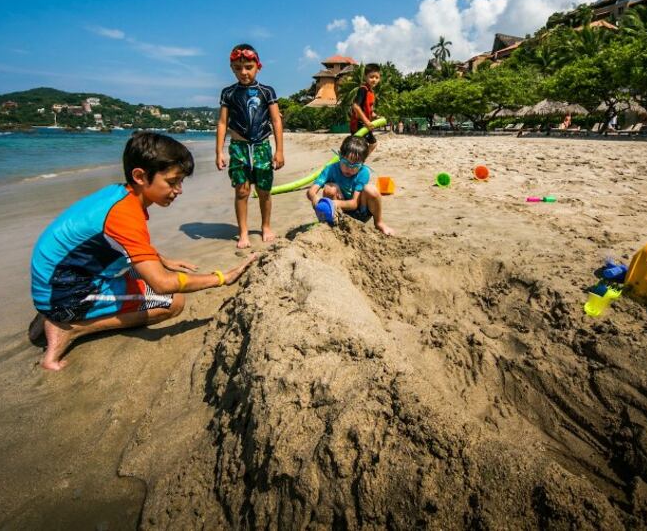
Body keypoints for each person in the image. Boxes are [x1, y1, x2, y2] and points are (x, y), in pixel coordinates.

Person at [29, 131, 257, 371]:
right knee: (172, 302)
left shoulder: (119, 195)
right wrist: (222, 278)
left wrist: (162, 259)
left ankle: (59, 313)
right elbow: (162, 284)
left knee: (153, 277)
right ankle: (71, 327)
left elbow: (118, 242)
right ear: (140, 176)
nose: (179, 190)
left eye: (181, 182)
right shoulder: (124, 216)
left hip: (56, 281)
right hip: (65, 293)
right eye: (172, 182)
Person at [216, 44, 285, 248]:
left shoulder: (266, 91)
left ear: (258, 66)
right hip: (239, 148)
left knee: (264, 190)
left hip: (262, 147)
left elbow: (276, 121)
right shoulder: (228, 93)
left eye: (248, 67)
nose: (243, 72)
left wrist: (279, 150)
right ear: (232, 68)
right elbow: (222, 123)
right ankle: (243, 231)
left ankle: (265, 225)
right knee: (242, 191)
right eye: (238, 68)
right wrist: (219, 151)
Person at [306, 135, 394, 236]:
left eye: (355, 166)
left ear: (363, 163)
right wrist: (314, 198)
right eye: (346, 163)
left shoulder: (363, 172)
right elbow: (311, 191)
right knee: (329, 188)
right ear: (339, 155)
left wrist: (332, 203)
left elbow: (354, 204)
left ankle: (379, 222)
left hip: (360, 212)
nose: (350, 169)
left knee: (371, 189)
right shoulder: (330, 169)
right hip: (340, 212)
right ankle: (332, 222)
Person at [350, 63, 381, 158]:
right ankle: (357, 162)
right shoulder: (363, 89)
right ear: (365, 77)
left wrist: (376, 116)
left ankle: (358, 161)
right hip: (358, 124)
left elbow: (369, 110)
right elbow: (356, 106)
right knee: (366, 146)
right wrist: (367, 121)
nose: (374, 79)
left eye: (377, 77)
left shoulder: (371, 92)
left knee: (367, 145)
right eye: (371, 77)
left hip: (365, 124)